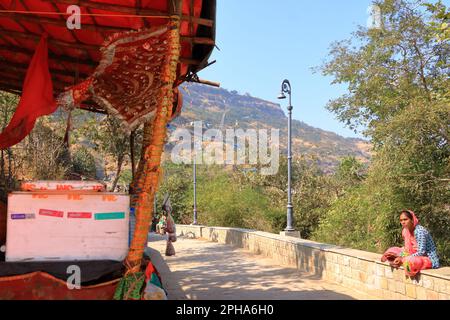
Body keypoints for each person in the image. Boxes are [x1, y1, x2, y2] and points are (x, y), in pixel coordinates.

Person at [381, 210, 440, 277]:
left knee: (409, 260)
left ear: (412, 220)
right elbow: (407, 249)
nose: (403, 222)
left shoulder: (419, 231)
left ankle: (403, 262)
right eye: (401, 220)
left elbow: (421, 252)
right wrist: (400, 256)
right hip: (411, 254)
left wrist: (402, 259)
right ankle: (398, 261)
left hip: (427, 258)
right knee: (392, 251)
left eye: (405, 219)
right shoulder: (405, 231)